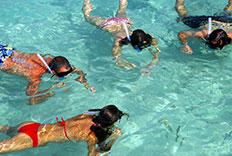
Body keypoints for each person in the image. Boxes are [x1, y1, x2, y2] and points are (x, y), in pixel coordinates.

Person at [0, 105, 128, 156]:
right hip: (32, 138)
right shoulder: (90, 136)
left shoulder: (85, 115)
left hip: (33, 126)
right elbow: (92, 154)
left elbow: (94, 111)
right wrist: (115, 137)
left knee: (6, 129)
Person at [0, 44, 96, 105]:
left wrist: (86, 85)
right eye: (63, 75)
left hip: (8, 50)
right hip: (3, 63)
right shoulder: (36, 74)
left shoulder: (53, 60)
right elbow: (31, 98)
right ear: (53, 72)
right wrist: (50, 93)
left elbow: (78, 71)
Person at [82, 0, 161, 73]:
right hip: (110, 25)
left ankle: (87, 2)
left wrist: (154, 58)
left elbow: (117, 57)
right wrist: (137, 68)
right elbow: (117, 58)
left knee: (122, 9)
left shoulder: (146, 36)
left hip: (124, 22)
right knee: (87, 17)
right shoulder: (119, 40)